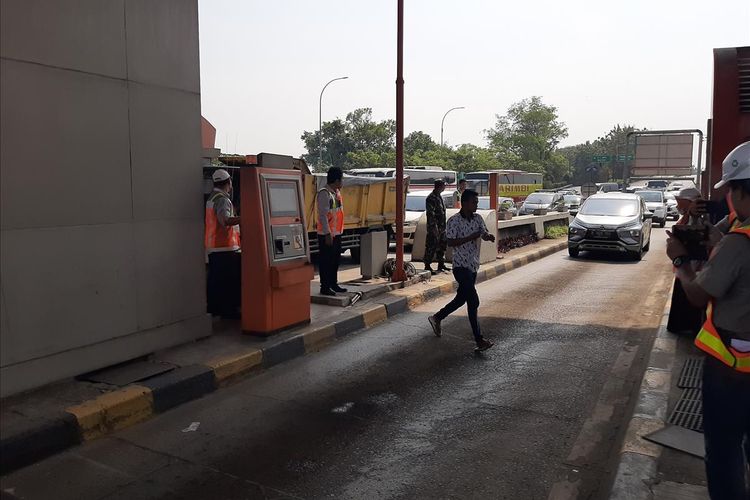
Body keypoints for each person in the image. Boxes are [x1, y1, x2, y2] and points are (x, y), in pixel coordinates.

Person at [665, 141, 750, 500]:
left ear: (740, 190)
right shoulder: (733, 237)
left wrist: (681, 262)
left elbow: (698, 295)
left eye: (730, 189)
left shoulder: (739, 243)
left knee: (724, 450)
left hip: (733, 365)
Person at [428, 189, 496, 351]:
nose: (476, 205)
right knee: (474, 301)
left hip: (472, 265)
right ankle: (479, 340)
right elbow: (450, 242)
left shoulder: (478, 219)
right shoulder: (454, 221)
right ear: (465, 203)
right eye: (474, 202)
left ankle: (437, 317)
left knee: (461, 299)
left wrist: (488, 237)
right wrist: (470, 237)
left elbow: (483, 233)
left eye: (477, 202)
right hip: (460, 266)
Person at [667, 187, 704, 335]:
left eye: (680, 202)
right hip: (685, 269)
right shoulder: (687, 217)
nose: (677, 206)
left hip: (694, 269)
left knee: (690, 299)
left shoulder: (702, 218)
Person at [205, 169, 241, 318]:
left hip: (214, 247)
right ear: (228, 183)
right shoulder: (222, 199)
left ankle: (216, 310)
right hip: (225, 248)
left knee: (216, 282)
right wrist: (245, 217)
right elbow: (225, 220)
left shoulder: (212, 198)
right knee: (227, 284)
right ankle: (228, 312)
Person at [317, 167, 347, 296]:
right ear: (336, 180)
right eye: (341, 180)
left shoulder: (336, 192)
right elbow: (322, 216)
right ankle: (325, 287)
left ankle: (334, 284)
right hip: (327, 235)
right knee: (326, 262)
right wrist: (328, 234)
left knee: (335, 260)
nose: (342, 182)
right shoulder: (324, 193)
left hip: (337, 233)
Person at [424, 179, 450, 274]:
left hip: (442, 227)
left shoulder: (440, 197)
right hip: (434, 228)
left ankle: (441, 264)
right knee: (431, 246)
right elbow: (431, 214)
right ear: (439, 186)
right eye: (444, 185)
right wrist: (434, 228)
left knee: (442, 245)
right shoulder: (431, 198)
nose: (444, 187)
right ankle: (427, 265)